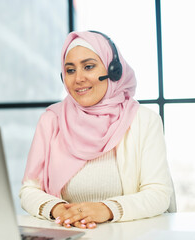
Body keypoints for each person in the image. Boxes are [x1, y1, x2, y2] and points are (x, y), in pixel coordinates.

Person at [19, 31, 175, 229]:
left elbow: (158, 193)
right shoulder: (52, 119)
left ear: (114, 70)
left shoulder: (144, 120)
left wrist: (106, 209)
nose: (78, 79)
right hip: (68, 232)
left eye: (89, 67)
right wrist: (58, 209)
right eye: (70, 70)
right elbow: (29, 189)